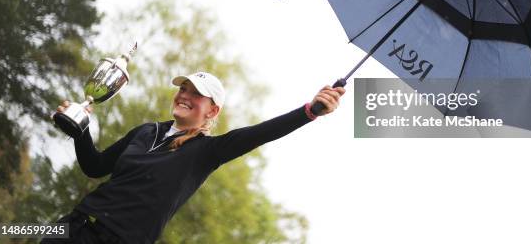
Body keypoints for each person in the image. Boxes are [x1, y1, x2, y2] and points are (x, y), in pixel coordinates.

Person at [40, 71, 345, 243]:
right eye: (183, 88)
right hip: (72, 228)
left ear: (212, 110)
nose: (185, 95)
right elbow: (95, 167)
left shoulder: (207, 151)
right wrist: (78, 126)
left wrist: (310, 111)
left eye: (196, 93)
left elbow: (263, 132)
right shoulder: (146, 131)